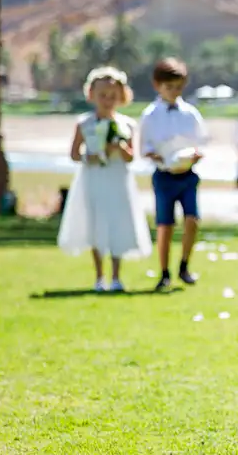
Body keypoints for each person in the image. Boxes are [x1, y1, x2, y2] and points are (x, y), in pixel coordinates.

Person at [57, 66, 152, 291]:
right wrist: (89, 156)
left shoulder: (126, 125)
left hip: (117, 178)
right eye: (103, 96)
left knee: (117, 222)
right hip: (93, 178)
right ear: (92, 95)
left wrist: (118, 147)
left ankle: (117, 276)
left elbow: (131, 157)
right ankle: (99, 277)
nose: (107, 100)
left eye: (112, 96)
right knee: (96, 222)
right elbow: (73, 154)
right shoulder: (84, 124)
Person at [138, 57, 207, 292]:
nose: (175, 92)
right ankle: (164, 271)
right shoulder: (150, 115)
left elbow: (200, 142)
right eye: (170, 87)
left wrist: (195, 156)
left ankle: (184, 265)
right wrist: (157, 156)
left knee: (192, 219)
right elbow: (144, 147)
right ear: (158, 86)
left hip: (187, 175)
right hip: (164, 175)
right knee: (165, 225)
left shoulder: (190, 114)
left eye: (179, 87)